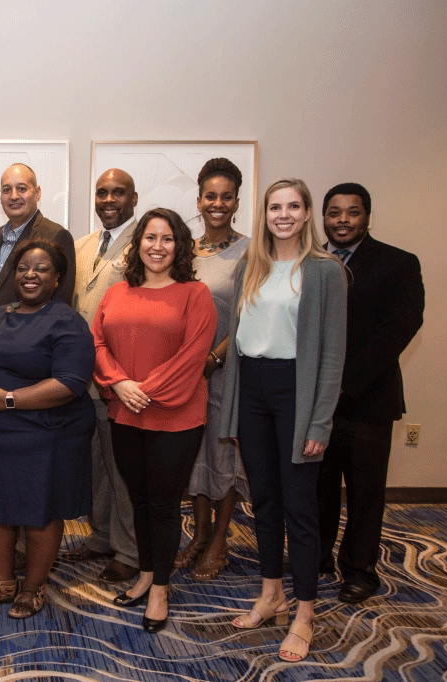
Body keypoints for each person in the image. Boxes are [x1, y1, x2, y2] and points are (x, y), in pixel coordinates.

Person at [219, 178, 347, 662]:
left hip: (297, 393)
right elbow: (239, 338)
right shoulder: (251, 264)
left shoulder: (324, 271)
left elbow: (332, 355)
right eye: (275, 207)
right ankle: (271, 594)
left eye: (294, 206)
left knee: (300, 509)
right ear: (264, 213)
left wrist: (320, 424)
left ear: (307, 212)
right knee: (265, 503)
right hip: (252, 390)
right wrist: (233, 405)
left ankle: (306, 613)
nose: (284, 215)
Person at [92, 208, 216, 634]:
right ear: (137, 243)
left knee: (163, 505)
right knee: (139, 499)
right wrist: (119, 383)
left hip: (175, 416)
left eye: (167, 238)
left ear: (179, 245)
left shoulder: (194, 293)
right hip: (125, 411)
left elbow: (194, 356)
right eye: (150, 237)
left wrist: (142, 389)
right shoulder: (116, 292)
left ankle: (160, 588)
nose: (157, 246)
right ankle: (145, 573)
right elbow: (97, 343)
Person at [0, 239, 95, 619]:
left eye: (41, 269)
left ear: (57, 280)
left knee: (39, 512)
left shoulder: (67, 322)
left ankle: (33, 587)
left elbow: (70, 382)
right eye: (23, 268)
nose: (30, 275)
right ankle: (2, 582)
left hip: (43, 435)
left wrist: (9, 399)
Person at [317, 183, 424, 604]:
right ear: (323, 218)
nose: (343, 220)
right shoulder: (312, 264)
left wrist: (343, 380)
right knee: (319, 486)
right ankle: (318, 556)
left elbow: (399, 328)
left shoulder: (397, 263)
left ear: (367, 216)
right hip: (318, 404)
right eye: (335, 212)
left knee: (364, 493)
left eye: (352, 212)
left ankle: (359, 571)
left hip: (367, 401)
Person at [176, 159, 252, 581]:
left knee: (224, 455)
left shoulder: (251, 252)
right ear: (199, 200)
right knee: (194, 454)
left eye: (226, 197)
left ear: (236, 202)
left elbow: (248, 316)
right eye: (210, 196)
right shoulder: (186, 250)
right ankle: (199, 534)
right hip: (187, 373)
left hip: (226, 370)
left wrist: (215, 359)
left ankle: (220, 540)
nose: (217, 204)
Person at [64, 168, 140, 583]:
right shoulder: (82, 245)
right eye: (102, 192)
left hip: (121, 378)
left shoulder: (145, 243)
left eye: (118, 193)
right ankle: (102, 536)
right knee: (95, 466)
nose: (109, 200)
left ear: (133, 198)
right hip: (82, 379)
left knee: (123, 467)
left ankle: (129, 550)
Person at [0, 163, 77, 328]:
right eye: (7, 190)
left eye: (21, 189)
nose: (13, 196)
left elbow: (60, 305)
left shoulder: (56, 236)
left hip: (28, 347)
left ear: (37, 193)